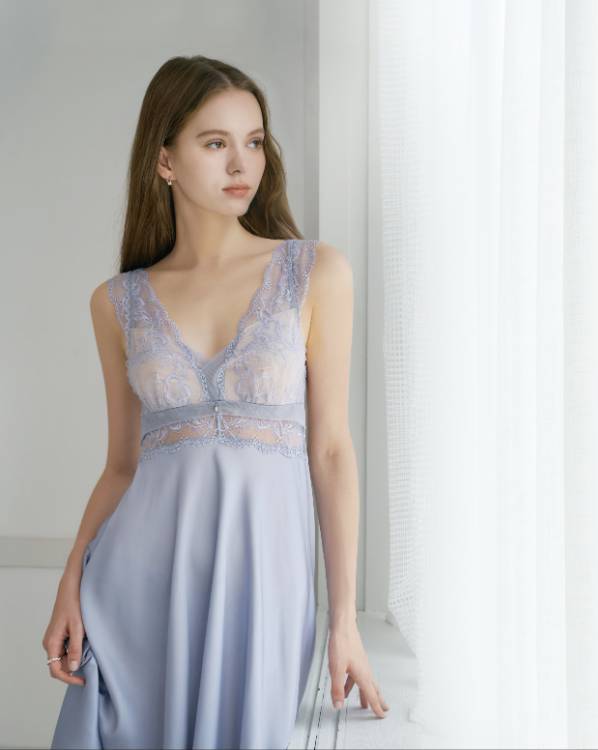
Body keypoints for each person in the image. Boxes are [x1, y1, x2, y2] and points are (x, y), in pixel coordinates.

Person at [43, 54, 388, 750]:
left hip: (262, 586)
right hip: (136, 591)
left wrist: (343, 618)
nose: (241, 163)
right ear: (165, 160)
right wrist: (70, 580)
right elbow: (121, 466)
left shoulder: (314, 272)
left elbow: (329, 450)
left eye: (253, 141)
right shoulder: (117, 303)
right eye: (215, 143)